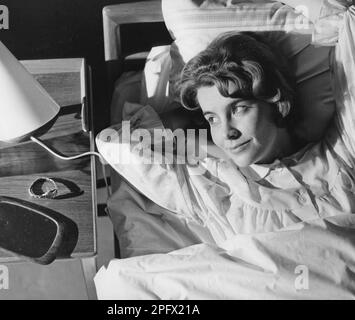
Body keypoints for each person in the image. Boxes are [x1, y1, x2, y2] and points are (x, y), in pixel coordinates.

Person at [97, 2, 355, 245]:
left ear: (275, 100)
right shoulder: (216, 190)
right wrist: (193, 132)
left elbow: (347, 18)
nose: (227, 132)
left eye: (238, 108)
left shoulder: (342, 151)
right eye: (212, 118)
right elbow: (114, 141)